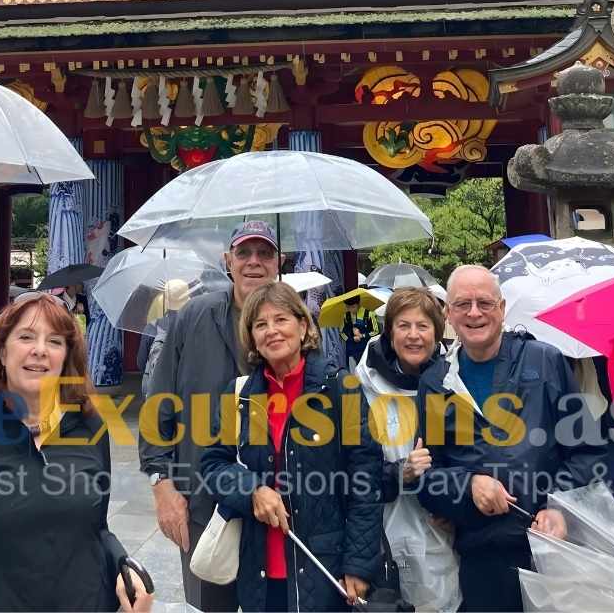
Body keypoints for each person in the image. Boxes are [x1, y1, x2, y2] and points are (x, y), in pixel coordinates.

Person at [0, 293, 153, 611]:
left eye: (54, 341)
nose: (39, 350)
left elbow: (95, 527)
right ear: (2, 351)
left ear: (66, 358)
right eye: (25, 337)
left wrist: (123, 564)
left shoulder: (90, 430)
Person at [417, 265, 605, 612]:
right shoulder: (436, 382)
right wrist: (468, 486)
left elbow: (588, 454)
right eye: (462, 304)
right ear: (448, 314)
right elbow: (428, 479)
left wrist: (558, 508)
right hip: (481, 559)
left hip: (549, 550)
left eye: (485, 303)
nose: (474, 313)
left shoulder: (544, 362)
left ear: (502, 309)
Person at [201, 281, 382, 611]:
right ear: (252, 337)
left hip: (325, 566)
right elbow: (214, 463)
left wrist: (358, 563)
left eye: (281, 319)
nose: (271, 331)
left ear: (302, 326)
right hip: (260, 568)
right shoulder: (238, 395)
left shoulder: (341, 389)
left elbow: (366, 480)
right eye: (260, 324)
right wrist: (252, 490)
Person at [140, 220, 281, 612]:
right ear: (227, 260)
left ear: (278, 262)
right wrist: (161, 485)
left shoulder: (292, 322)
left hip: (275, 500)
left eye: (265, 253)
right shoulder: (194, 316)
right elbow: (157, 408)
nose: (254, 262)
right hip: (202, 496)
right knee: (211, 604)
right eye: (244, 253)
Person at [354, 287, 461, 612]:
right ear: (389, 331)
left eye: (423, 326)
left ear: (437, 332)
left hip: (440, 535)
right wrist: (402, 472)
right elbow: (353, 470)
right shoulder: (360, 385)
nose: (413, 335)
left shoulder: (455, 381)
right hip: (378, 532)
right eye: (403, 326)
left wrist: (459, 508)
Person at [137, 277, 191, 397]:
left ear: (165, 301)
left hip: (155, 394)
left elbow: (140, 363)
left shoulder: (152, 327)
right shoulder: (195, 327)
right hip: (185, 393)